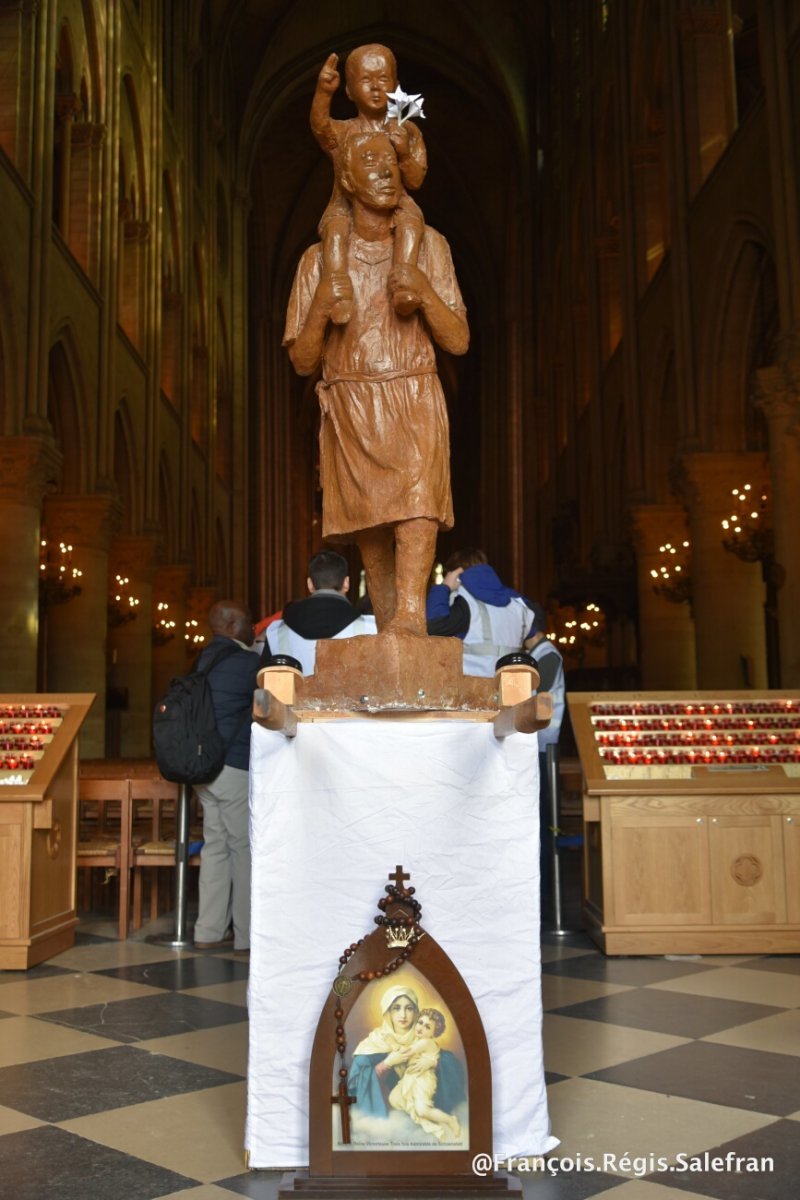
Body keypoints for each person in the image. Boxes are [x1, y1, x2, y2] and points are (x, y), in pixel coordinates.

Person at [284, 128, 469, 636]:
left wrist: (425, 293)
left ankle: (411, 617)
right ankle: (391, 620)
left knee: (417, 508)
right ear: (345, 177)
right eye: (369, 161)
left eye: (391, 161)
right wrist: (322, 305)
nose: (385, 171)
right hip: (352, 399)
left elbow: (457, 340)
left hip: (411, 391)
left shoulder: (429, 246)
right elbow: (302, 360)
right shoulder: (317, 261)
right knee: (370, 522)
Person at [311, 44, 427, 323]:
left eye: (383, 79)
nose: (376, 88)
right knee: (335, 232)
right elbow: (320, 127)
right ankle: (339, 297)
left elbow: (415, 179)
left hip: (396, 205)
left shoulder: (407, 129)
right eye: (365, 80)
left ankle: (403, 284)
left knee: (412, 222)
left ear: (396, 86)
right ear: (349, 91)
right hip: (345, 207)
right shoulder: (344, 131)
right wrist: (324, 93)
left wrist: (404, 153)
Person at [192, 600, 261, 953]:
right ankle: (247, 936)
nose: (253, 627)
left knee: (215, 846)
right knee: (241, 848)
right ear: (234, 625)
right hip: (233, 766)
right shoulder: (249, 662)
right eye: (249, 621)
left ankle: (208, 930)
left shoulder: (202, 659)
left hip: (203, 768)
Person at [347, 984, 464, 1121]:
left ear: (416, 1012)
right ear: (388, 1012)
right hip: (386, 1120)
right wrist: (387, 1063)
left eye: (409, 1008)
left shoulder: (424, 1037)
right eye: (396, 1008)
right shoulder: (375, 1042)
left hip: (419, 1115)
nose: (403, 1015)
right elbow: (356, 1084)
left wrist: (434, 1062)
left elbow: (453, 1067)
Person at [426, 547, 537, 676]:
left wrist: (443, 588)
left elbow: (435, 625)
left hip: (474, 690)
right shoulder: (519, 605)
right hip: (511, 689)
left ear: (457, 575)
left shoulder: (467, 605)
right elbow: (532, 632)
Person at [265, 549, 377, 674]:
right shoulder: (371, 629)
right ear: (346, 583)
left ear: (310, 584)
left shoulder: (276, 632)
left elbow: (264, 683)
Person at [524, 602, 566, 899]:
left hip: (544, 747)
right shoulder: (534, 655)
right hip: (536, 745)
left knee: (544, 818)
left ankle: (548, 895)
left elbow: (537, 696)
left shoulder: (548, 655)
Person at [386, 1008, 461, 1141]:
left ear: (434, 1032)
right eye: (420, 1022)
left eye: (427, 1027)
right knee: (394, 1099)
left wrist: (392, 1042)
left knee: (422, 1110)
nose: (421, 1028)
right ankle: (424, 1118)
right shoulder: (418, 1040)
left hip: (423, 1081)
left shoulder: (426, 1042)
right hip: (410, 1079)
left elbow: (406, 1052)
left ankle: (450, 1120)